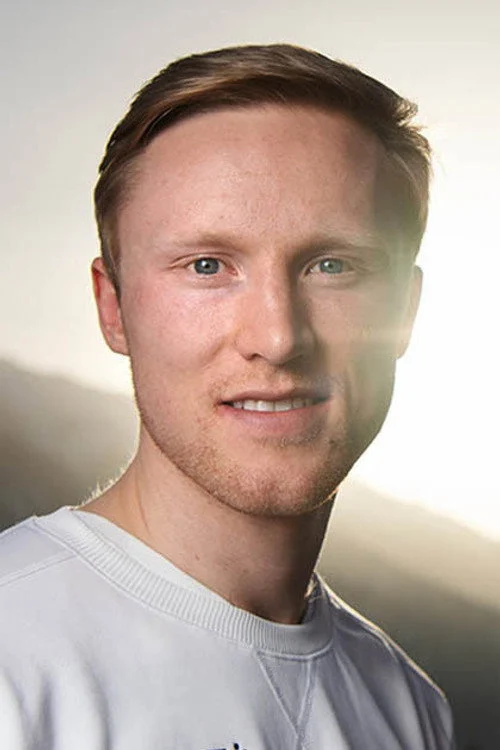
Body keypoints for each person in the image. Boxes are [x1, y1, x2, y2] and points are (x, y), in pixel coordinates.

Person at [0, 44, 455, 749]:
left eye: (333, 265)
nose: (278, 337)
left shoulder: (411, 710)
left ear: (406, 310)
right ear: (113, 307)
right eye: (208, 265)